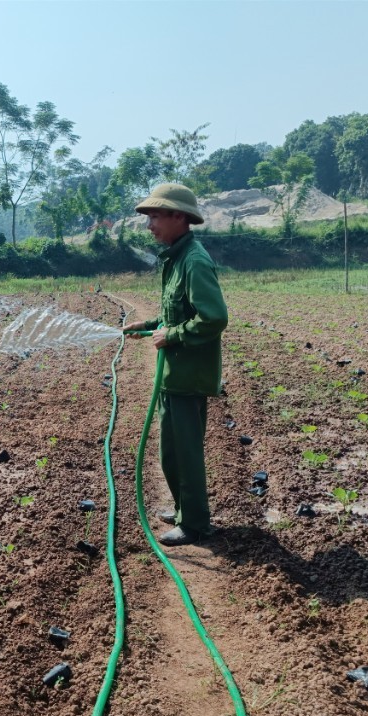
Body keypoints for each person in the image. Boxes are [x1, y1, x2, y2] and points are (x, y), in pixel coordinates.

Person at [122, 183, 228, 545]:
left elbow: (213, 317)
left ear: (179, 217)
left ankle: (196, 523)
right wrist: (150, 326)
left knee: (185, 453)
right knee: (171, 453)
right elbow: (175, 313)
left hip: (188, 374)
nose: (149, 225)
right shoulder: (175, 259)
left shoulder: (194, 261)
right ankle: (184, 508)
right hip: (174, 374)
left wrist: (173, 336)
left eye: (155, 217)